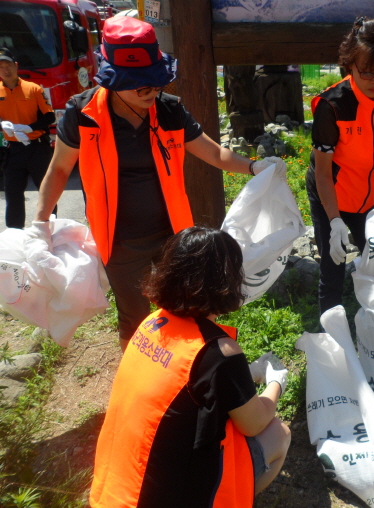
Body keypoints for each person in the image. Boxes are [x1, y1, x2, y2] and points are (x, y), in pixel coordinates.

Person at [32, 17, 282, 350]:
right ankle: (137, 376)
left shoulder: (168, 111)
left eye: (156, 83)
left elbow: (214, 153)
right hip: (118, 240)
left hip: (172, 235)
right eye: (142, 86)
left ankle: (186, 370)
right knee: (133, 318)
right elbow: (60, 170)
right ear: (115, 81)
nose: (152, 91)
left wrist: (254, 167)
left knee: (187, 309)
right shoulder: (83, 113)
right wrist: (40, 223)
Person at [90, 226, 291, 507]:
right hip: (163, 499)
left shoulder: (153, 322)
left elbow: (188, 384)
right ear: (229, 280)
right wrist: (276, 383)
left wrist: (245, 375)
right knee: (279, 434)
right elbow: (254, 423)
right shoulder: (219, 353)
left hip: (114, 493)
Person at [306, 17, 374, 315]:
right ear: (350, 64)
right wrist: (334, 221)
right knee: (333, 269)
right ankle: (332, 332)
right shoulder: (332, 105)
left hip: (373, 201)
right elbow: (323, 172)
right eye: (367, 72)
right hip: (332, 197)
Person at [0, 47, 56, 229]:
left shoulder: (34, 88)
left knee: (46, 192)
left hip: (37, 148)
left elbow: (50, 117)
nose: (5, 70)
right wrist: (2, 124)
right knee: (13, 194)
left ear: (16, 65)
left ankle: (50, 229)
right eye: (1, 67)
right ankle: (15, 234)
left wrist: (29, 127)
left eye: (8, 65)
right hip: (13, 149)